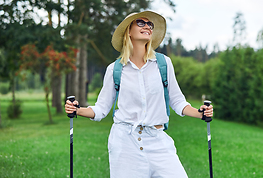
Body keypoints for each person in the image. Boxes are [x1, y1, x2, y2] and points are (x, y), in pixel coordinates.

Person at [65, 11, 213, 178]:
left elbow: (177, 100)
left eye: (150, 24)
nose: (147, 27)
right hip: (125, 144)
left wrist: (200, 113)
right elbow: (101, 108)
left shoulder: (163, 64)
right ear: (128, 31)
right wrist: (77, 110)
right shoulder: (115, 69)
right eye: (141, 23)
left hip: (158, 140)